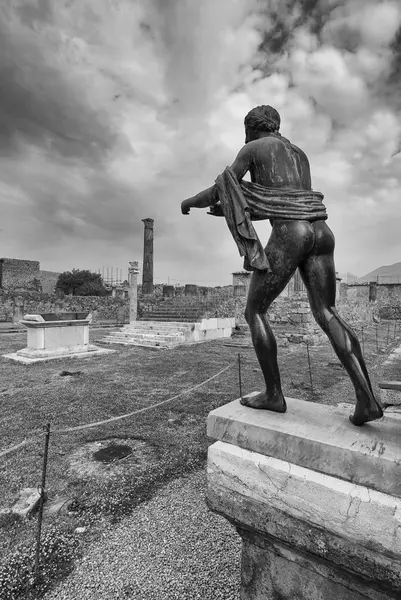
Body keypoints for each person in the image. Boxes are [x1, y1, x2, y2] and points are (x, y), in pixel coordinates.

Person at [181, 105, 383, 426]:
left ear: (251, 127)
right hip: (321, 230)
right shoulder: (299, 154)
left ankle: (274, 394)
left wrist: (188, 202)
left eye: (245, 130)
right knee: (326, 311)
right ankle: (367, 398)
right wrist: (241, 206)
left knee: (255, 311)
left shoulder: (253, 148)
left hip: (293, 232)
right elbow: (282, 198)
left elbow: (222, 187)